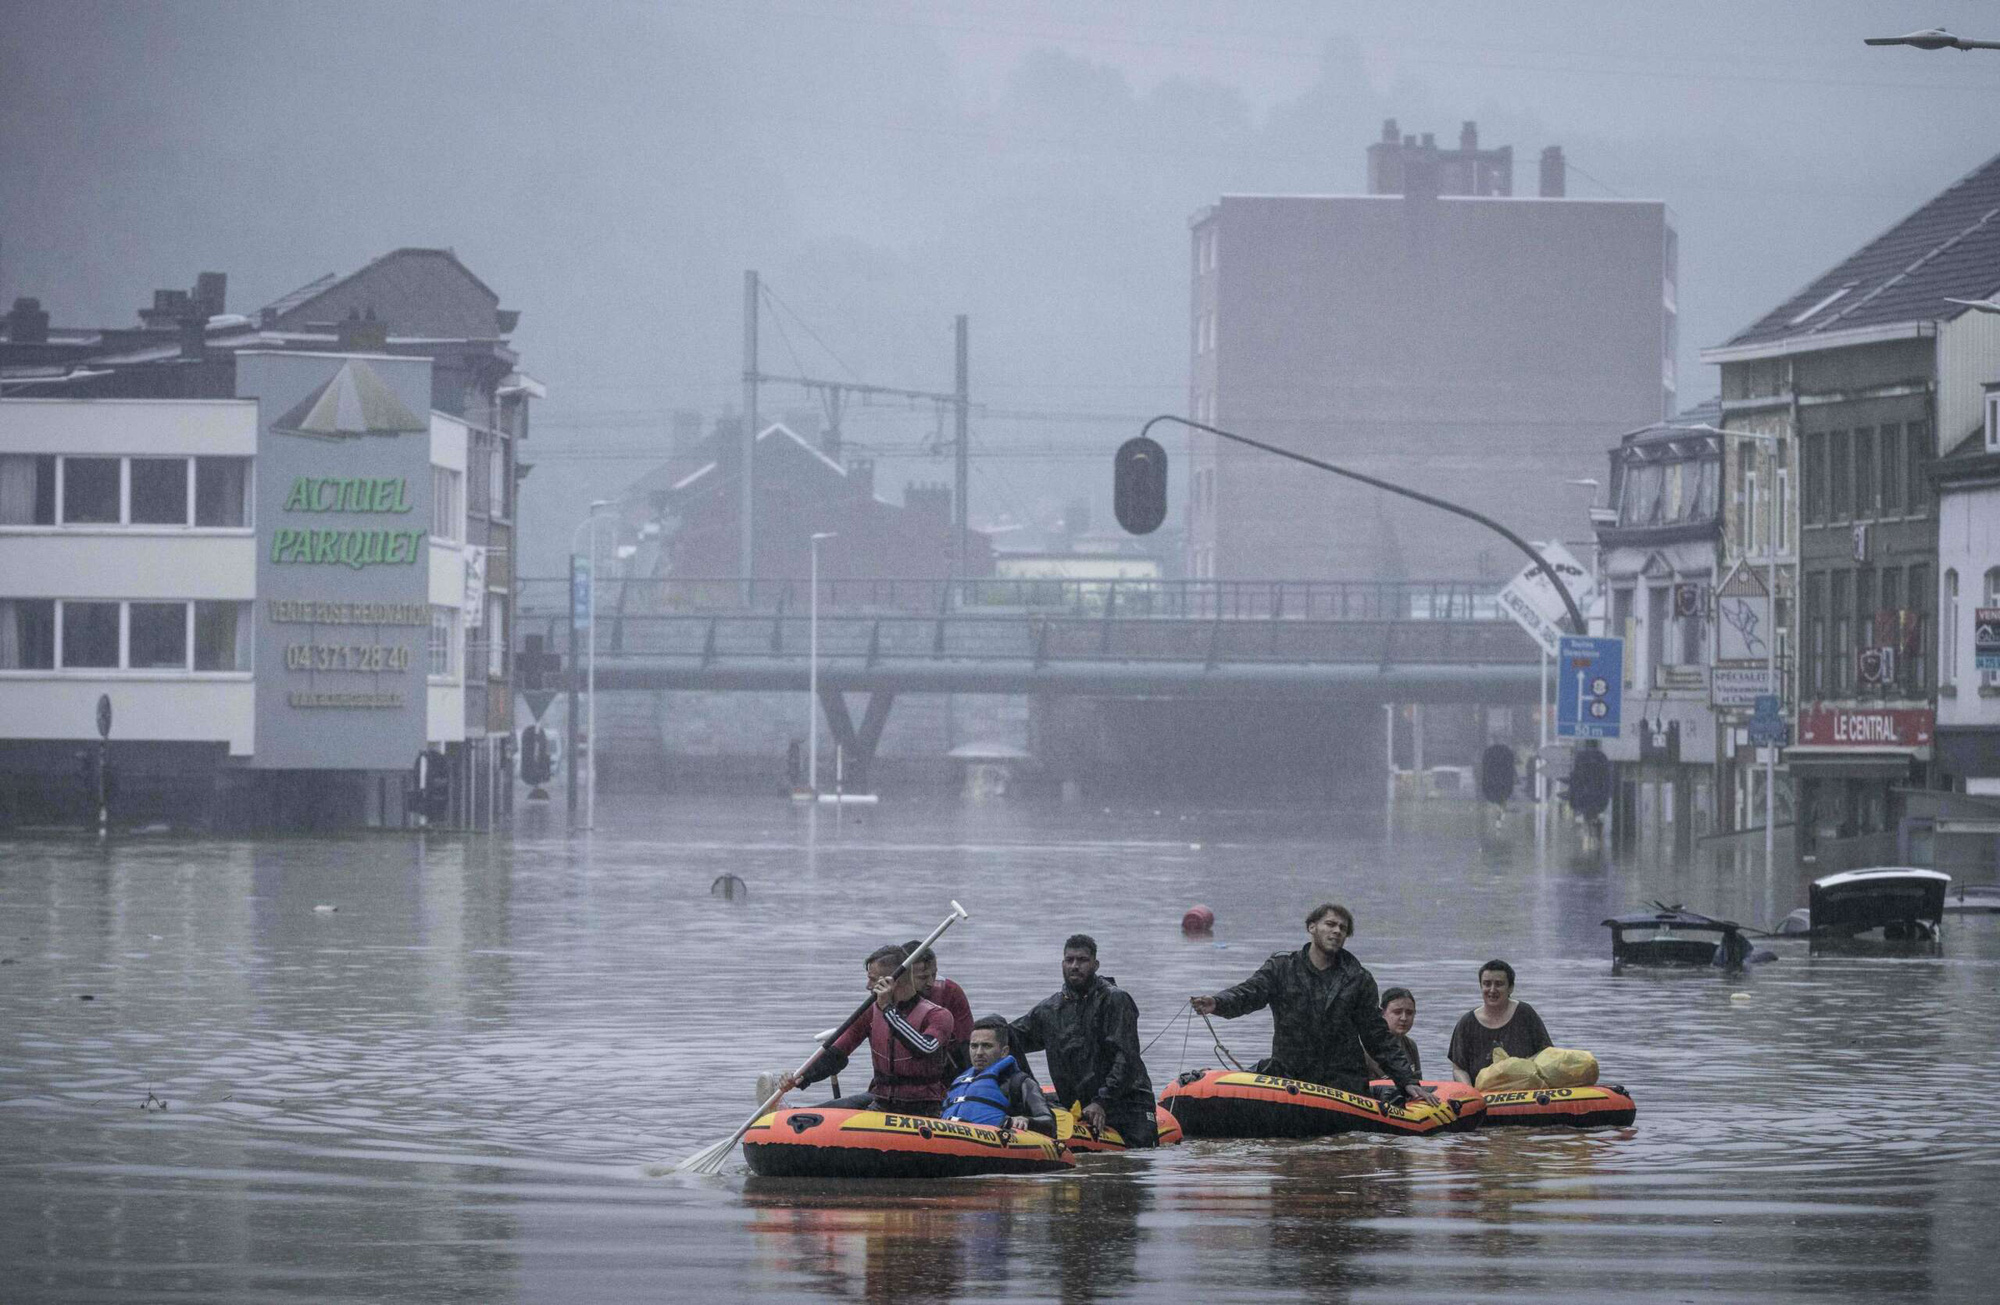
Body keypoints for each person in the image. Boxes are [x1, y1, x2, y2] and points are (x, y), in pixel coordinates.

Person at [1192, 904, 1438, 1105]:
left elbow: (1377, 1036)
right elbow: (1248, 993)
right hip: (1290, 1076)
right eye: (1330, 924)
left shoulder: (1359, 979)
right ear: (1312, 927)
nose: (1337, 931)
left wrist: (1407, 1080)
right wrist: (1216, 1002)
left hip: (1342, 1083)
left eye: (1343, 928)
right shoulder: (1281, 968)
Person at [1011, 934, 1159, 1146]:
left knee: (1138, 1159)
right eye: (1069, 960)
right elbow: (1007, 1040)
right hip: (1078, 1106)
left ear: (1095, 964)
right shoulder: (1049, 1010)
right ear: (1062, 963)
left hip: (1128, 1104)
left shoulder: (1115, 1000)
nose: (1074, 966)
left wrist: (1101, 1102)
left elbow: (1126, 1058)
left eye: (1082, 960)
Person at [780, 944, 956, 1115]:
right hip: (881, 1104)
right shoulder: (871, 1012)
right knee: (834, 1110)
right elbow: (837, 1053)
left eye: (873, 979)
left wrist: (888, 1009)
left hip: (922, 1111)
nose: (868, 986)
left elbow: (924, 1048)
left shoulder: (939, 1016)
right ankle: (788, 1116)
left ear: (892, 981)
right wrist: (801, 1077)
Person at [940, 1015, 1058, 1137]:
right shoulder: (959, 1082)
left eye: (987, 1046)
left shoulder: (1019, 1082)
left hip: (996, 1144)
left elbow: (1049, 1123)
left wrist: (1027, 1120)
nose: (979, 1053)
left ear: (1004, 1051)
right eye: (974, 1046)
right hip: (950, 1140)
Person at [1446, 959, 1553, 1086]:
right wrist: (1470, 1092)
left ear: (1511, 988)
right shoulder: (1466, 1023)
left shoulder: (1525, 1014)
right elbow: (1459, 1069)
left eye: (1499, 984)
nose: (1492, 990)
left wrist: (1518, 1067)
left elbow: (1547, 1052)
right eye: (1487, 984)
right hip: (1483, 1094)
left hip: (1526, 1090)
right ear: (1481, 986)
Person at [904, 938, 974, 1068]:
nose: (931, 982)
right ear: (903, 976)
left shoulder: (950, 992)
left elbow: (966, 1044)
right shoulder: (883, 1001)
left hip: (944, 1072)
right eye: (923, 977)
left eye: (934, 974)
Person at [1363, 987, 1422, 1082]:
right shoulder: (1365, 1048)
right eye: (1397, 1012)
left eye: (1409, 1013)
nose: (1404, 1018)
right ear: (1382, 1013)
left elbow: (1420, 1082)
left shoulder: (1411, 1046)